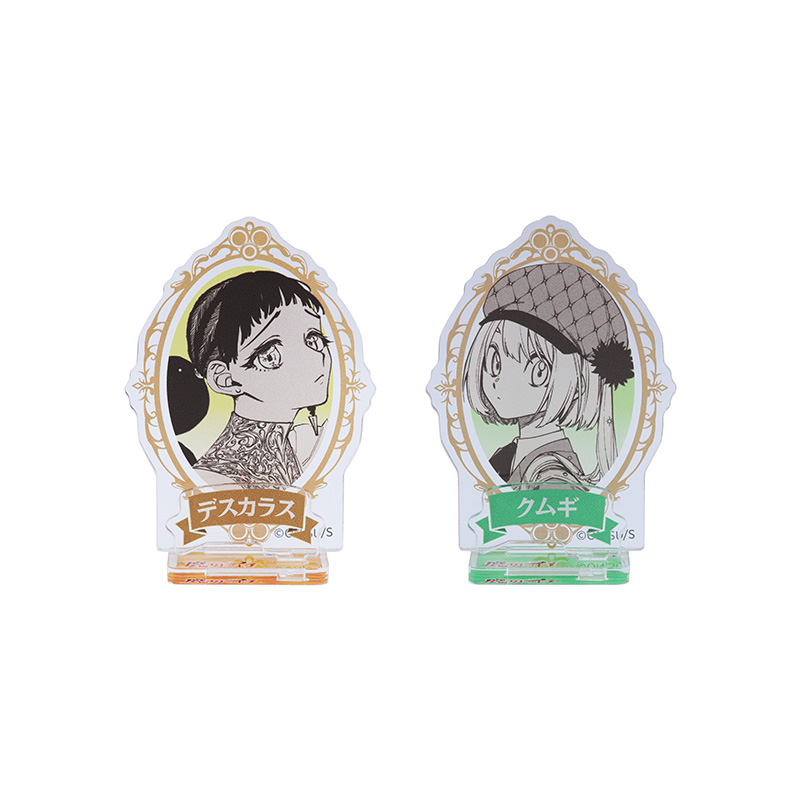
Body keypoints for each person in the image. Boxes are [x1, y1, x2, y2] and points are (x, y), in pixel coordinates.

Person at [464, 262, 634, 486]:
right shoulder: (507, 457)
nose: (493, 379)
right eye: (493, 362)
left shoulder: (552, 476)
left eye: (539, 371)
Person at [185, 270, 331, 485]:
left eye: (313, 339)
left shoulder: (302, 448)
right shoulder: (216, 479)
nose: (312, 357)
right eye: (270, 355)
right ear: (225, 379)